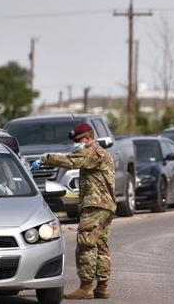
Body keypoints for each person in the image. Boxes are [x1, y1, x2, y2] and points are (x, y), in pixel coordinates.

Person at [33, 122, 116, 300]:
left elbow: (71, 161)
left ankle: (85, 287)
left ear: (87, 138)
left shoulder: (91, 152)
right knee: (100, 245)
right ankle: (102, 287)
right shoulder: (103, 153)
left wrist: (45, 159)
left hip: (95, 205)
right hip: (106, 206)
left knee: (86, 244)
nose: (76, 145)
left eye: (78, 140)